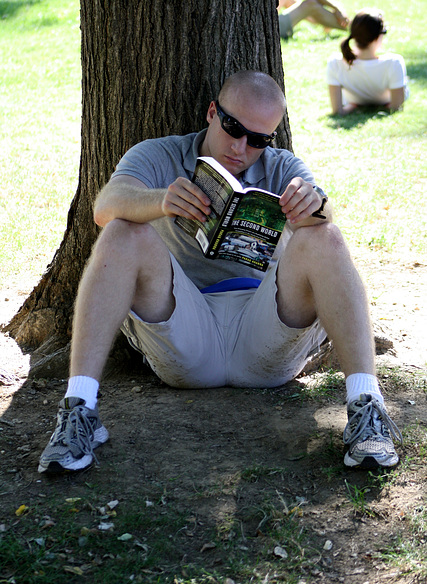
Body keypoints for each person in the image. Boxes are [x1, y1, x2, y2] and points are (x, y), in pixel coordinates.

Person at [38, 70, 402, 475]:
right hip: (187, 331)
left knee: (326, 236)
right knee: (121, 232)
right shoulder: (161, 154)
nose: (241, 147)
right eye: (233, 128)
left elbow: (325, 214)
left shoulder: (281, 166)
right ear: (212, 112)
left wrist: (314, 205)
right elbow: (105, 206)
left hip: (265, 334)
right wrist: (163, 201)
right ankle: (78, 410)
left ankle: (367, 408)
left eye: (259, 139)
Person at [327, 9, 408, 114]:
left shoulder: (335, 63)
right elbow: (397, 106)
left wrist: (352, 106)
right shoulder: (394, 63)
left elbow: (337, 111)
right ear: (378, 36)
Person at [277, 0, 349, 40]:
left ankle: (349, 24)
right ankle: (350, 26)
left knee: (310, 5)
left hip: (276, 24)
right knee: (310, 4)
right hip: (274, 27)